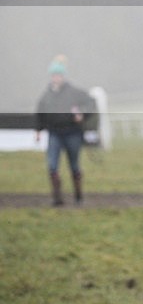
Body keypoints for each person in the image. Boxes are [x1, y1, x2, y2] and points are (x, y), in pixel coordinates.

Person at [34, 57, 96, 206]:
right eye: (54, 75)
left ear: (63, 76)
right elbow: (40, 113)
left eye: (59, 75)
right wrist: (38, 130)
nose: (56, 78)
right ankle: (57, 198)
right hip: (54, 134)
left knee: (74, 165)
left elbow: (90, 103)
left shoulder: (74, 92)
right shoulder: (46, 96)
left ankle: (78, 196)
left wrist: (82, 114)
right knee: (52, 166)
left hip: (72, 133)